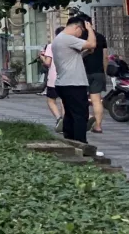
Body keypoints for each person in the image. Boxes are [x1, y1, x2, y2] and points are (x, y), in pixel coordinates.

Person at [51, 13, 98, 144]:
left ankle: (70, 141)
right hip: (73, 83)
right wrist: (90, 29)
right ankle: (80, 143)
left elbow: (72, 58)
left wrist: (85, 52)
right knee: (80, 115)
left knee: (70, 115)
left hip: (64, 83)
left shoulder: (59, 39)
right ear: (77, 27)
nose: (81, 34)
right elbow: (92, 44)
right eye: (82, 31)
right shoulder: (67, 38)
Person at [80, 16, 109, 133]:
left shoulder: (79, 37)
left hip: (82, 73)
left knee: (81, 98)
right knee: (96, 100)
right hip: (98, 72)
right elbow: (105, 57)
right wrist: (104, 72)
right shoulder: (101, 37)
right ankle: (98, 126)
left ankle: (85, 121)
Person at [39, 27, 64, 130]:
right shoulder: (70, 46)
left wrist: (41, 56)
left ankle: (59, 118)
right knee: (64, 101)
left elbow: (48, 63)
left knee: (51, 100)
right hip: (66, 78)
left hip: (54, 79)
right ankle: (66, 121)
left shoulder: (51, 46)